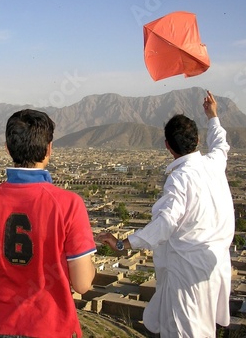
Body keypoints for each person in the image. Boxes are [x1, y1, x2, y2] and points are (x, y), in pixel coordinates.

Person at [97, 91, 234, 337]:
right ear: (197, 142)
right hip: (215, 267)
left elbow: (165, 223)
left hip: (187, 275)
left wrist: (122, 243)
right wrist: (213, 116)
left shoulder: (180, 179)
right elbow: (221, 144)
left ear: (168, 146)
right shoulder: (214, 163)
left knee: (184, 332)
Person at [0, 109, 96, 338]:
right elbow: (82, 284)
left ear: (8, 149)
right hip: (51, 328)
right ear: (49, 149)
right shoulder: (68, 204)